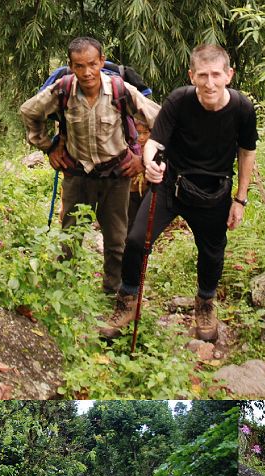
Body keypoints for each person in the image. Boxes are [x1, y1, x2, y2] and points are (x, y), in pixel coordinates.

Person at [101, 43, 257, 343]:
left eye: (215, 75)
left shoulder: (242, 108)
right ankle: (128, 300)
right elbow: (154, 143)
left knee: (212, 253)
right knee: (135, 240)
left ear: (229, 75)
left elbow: (247, 152)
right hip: (172, 183)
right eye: (202, 75)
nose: (209, 83)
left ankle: (205, 303)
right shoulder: (179, 100)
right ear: (191, 75)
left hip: (215, 190)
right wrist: (150, 165)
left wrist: (240, 199)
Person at [20, 37, 161, 295]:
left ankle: (113, 292)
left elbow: (160, 119)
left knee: (117, 240)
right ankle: (64, 295)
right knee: (69, 239)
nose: (87, 73)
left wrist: (143, 159)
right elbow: (29, 111)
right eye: (79, 66)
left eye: (92, 64)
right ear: (70, 65)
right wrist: (48, 147)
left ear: (101, 60)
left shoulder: (120, 90)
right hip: (77, 174)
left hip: (116, 177)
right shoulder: (62, 91)